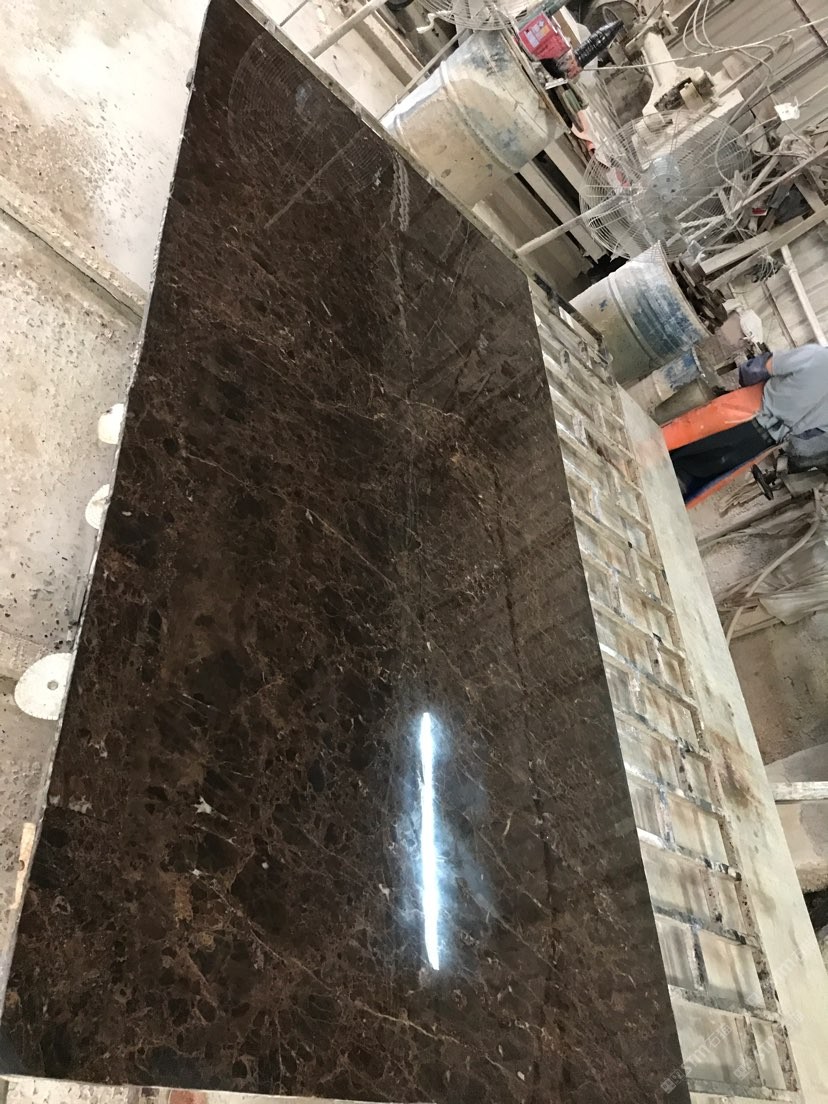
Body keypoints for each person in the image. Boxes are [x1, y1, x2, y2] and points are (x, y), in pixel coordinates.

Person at [666, 343, 828, 505]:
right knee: (704, 474)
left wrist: (746, 381)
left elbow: (759, 369)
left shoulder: (817, 356)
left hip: (740, 414)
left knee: (674, 446)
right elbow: (809, 433)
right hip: (762, 443)